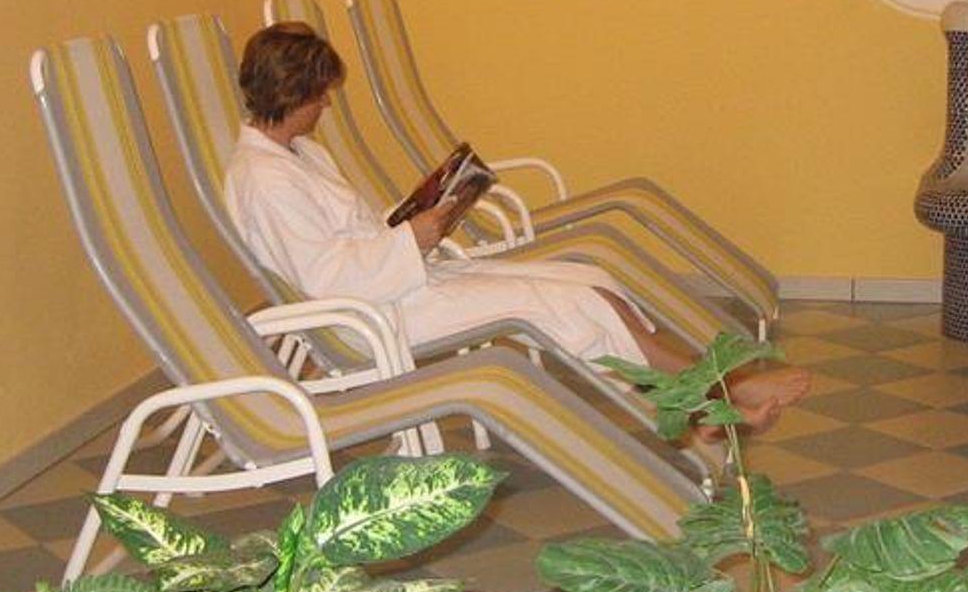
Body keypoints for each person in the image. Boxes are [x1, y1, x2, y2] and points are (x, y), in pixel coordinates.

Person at [224, 22, 811, 431]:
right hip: (375, 317)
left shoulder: (298, 154)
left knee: (591, 281)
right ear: (293, 93)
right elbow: (327, 278)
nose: (327, 105)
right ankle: (721, 400)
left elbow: (346, 242)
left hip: (401, 285)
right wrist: (413, 238)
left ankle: (711, 401)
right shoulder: (265, 180)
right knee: (563, 306)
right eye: (320, 95)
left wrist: (416, 220)